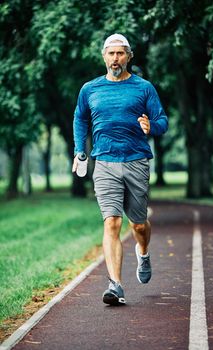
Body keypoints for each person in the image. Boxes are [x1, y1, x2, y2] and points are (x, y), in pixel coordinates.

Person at [72, 33, 168, 306]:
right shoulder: (89, 89)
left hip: (136, 160)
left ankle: (144, 251)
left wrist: (153, 126)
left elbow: (162, 120)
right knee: (112, 222)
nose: (116, 58)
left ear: (129, 56)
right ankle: (115, 285)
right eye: (111, 53)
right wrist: (80, 150)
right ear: (103, 56)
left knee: (138, 224)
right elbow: (80, 118)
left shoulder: (144, 88)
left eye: (120, 53)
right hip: (103, 162)